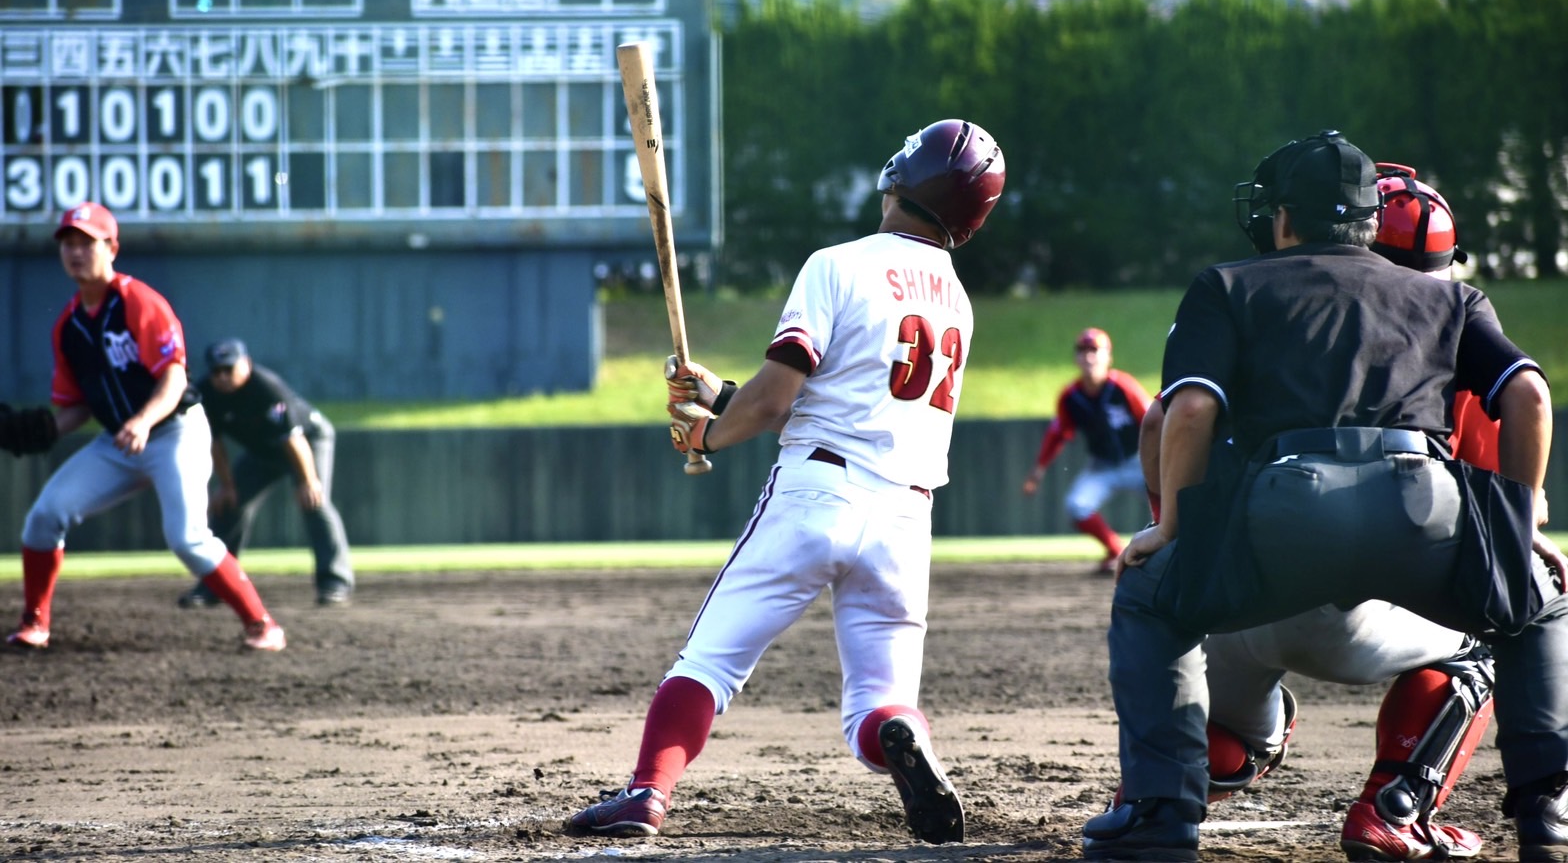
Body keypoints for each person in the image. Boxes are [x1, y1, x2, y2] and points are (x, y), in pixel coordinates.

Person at [1081, 131, 1566, 863]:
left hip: (1278, 518)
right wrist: (1523, 517)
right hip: (1416, 509)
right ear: (1371, 220)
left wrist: (1171, 527)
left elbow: (1176, 415)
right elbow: (1529, 393)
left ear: (1283, 218)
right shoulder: (1451, 299)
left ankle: (1161, 815)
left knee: (1150, 594)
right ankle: (1542, 820)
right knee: (1540, 603)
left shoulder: (1232, 283)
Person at [564, 119, 1007, 844]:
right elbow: (816, 396)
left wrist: (708, 431)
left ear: (904, 179)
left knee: (709, 662)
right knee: (879, 702)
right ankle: (902, 734)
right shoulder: (956, 301)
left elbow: (777, 404)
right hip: (904, 519)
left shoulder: (839, 264)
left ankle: (648, 792)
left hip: (816, 492)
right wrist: (717, 393)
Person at [0, 202, 286, 652]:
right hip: (118, 441)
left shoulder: (138, 301)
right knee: (43, 517)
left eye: (86, 242)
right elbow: (75, 406)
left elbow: (174, 376)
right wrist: (45, 431)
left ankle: (262, 624)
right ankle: (35, 622)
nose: (75, 252)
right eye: (68, 243)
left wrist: (143, 420)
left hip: (174, 431)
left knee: (188, 538)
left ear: (111, 247)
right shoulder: (68, 327)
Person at [175, 338, 355, 609]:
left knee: (314, 503)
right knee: (229, 507)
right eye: (216, 371)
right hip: (262, 453)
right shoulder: (205, 394)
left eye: (228, 369)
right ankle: (214, 586)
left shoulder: (266, 388)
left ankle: (335, 583)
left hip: (308, 441)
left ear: (245, 365)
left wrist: (308, 481)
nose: (222, 377)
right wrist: (227, 486)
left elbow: (293, 440)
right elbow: (214, 442)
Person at [1020, 327, 1150, 573]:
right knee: (1077, 505)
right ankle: (1116, 551)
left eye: (1095, 350)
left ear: (1108, 357)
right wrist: (1038, 470)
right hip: (1101, 466)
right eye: (1083, 350)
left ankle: (1169, 554)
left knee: (1173, 504)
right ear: (1076, 358)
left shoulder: (1123, 386)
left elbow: (1152, 420)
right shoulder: (1070, 397)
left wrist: (1160, 460)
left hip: (1138, 461)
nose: (1089, 356)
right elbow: (1057, 435)